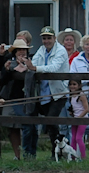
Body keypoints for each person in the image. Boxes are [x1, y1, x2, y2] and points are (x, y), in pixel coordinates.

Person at [24, 26, 70, 159]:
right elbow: (34, 63)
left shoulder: (61, 50)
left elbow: (54, 67)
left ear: (54, 38)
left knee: (51, 121)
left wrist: (34, 67)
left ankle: (56, 152)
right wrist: (28, 66)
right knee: (33, 116)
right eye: (44, 38)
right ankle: (34, 152)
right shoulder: (41, 50)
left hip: (58, 93)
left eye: (49, 38)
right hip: (44, 93)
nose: (46, 41)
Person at [0, 39, 35, 160]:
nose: (21, 52)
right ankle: (18, 154)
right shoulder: (9, 62)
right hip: (13, 97)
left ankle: (28, 153)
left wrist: (28, 68)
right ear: (14, 52)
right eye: (19, 50)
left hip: (28, 99)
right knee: (13, 127)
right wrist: (9, 70)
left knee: (28, 125)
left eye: (23, 49)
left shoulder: (32, 62)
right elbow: (2, 80)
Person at [68, 79, 89, 160]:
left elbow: (86, 109)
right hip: (75, 118)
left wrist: (79, 117)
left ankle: (83, 157)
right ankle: (73, 157)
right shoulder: (71, 95)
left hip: (82, 118)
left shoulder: (81, 95)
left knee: (78, 138)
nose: (72, 86)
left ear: (79, 86)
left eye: (74, 84)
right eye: (71, 84)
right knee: (73, 138)